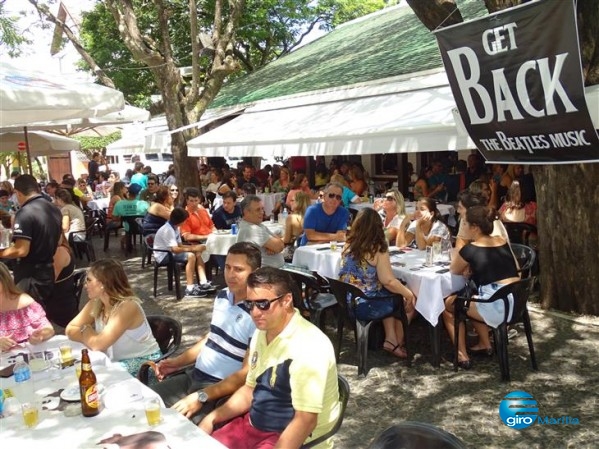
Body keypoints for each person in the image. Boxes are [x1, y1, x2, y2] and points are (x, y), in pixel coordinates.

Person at [200, 267, 340, 449]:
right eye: (250, 304)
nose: (255, 312)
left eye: (263, 304)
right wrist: (212, 417)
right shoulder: (262, 331)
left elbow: (305, 421)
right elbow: (250, 389)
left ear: (287, 300)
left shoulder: (309, 346)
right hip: (253, 424)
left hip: (290, 436)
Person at [150, 242, 261, 424]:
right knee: (144, 402)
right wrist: (176, 363)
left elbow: (246, 375)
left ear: (255, 272)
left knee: (177, 428)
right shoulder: (223, 296)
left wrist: (201, 396)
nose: (231, 274)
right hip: (193, 376)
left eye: (239, 269)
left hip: (217, 390)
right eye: (227, 267)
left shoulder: (258, 313)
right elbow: (212, 338)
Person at [443, 206, 520, 370]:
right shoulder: (502, 241)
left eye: (465, 224)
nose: (463, 228)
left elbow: (454, 270)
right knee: (473, 295)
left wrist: (468, 265)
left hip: (496, 306)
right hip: (516, 303)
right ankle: (485, 344)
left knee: (448, 305)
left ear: (475, 227)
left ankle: (461, 354)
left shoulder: (470, 249)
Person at [339, 208, 417, 358]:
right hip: (365, 305)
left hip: (345, 301)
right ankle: (396, 343)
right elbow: (388, 280)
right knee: (408, 300)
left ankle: (390, 339)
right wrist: (408, 293)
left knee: (388, 292)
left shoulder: (348, 244)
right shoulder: (377, 248)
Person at [65, 259, 161, 376]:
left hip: (144, 364)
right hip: (114, 362)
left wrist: (85, 329)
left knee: (92, 375)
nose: (85, 285)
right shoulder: (96, 303)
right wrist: (90, 336)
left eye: (89, 280)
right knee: (78, 371)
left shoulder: (127, 306)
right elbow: (70, 329)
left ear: (103, 284)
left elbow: (97, 344)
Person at [0, 175, 62, 318]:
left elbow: (21, 249)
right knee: (39, 313)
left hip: (31, 274)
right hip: (47, 269)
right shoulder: (53, 208)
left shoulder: (25, 212)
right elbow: (59, 241)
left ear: (18, 192)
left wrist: (2, 253)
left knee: (27, 316)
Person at [153, 207, 214, 297]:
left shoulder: (176, 227)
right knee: (191, 256)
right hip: (163, 255)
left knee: (197, 253)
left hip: (170, 252)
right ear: (180, 221)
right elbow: (175, 249)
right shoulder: (168, 230)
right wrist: (192, 249)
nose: (186, 221)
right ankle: (190, 288)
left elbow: (180, 245)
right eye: (185, 220)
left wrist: (195, 247)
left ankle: (203, 282)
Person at [0, 262, 54, 351]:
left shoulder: (24, 302)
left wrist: (40, 336)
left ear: (4, 279)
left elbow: (48, 329)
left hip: (29, 357)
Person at [237, 195, 285, 268]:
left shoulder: (258, 225)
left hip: (273, 271)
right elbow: (279, 246)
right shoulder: (251, 229)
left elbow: (280, 244)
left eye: (262, 209)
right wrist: (275, 245)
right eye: (258, 210)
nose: (262, 212)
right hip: (266, 274)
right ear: (246, 212)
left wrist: (275, 245)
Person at [299, 182, 349, 246]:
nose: (334, 199)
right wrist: (335, 237)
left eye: (338, 197)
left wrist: (320, 239)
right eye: (331, 195)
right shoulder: (312, 210)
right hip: (309, 248)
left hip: (330, 247)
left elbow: (341, 236)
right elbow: (310, 235)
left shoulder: (344, 212)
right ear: (324, 196)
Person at [45, 234, 78, 328]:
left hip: (58, 303)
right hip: (58, 298)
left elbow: (47, 282)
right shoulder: (57, 250)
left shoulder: (60, 252)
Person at [282, 191, 310, 262]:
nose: (290, 203)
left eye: (292, 201)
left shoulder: (291, 218)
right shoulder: (310, 217)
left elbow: (286, 240)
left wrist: (276, 239)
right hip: (306, 252)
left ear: (299, 203)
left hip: (291, 253)